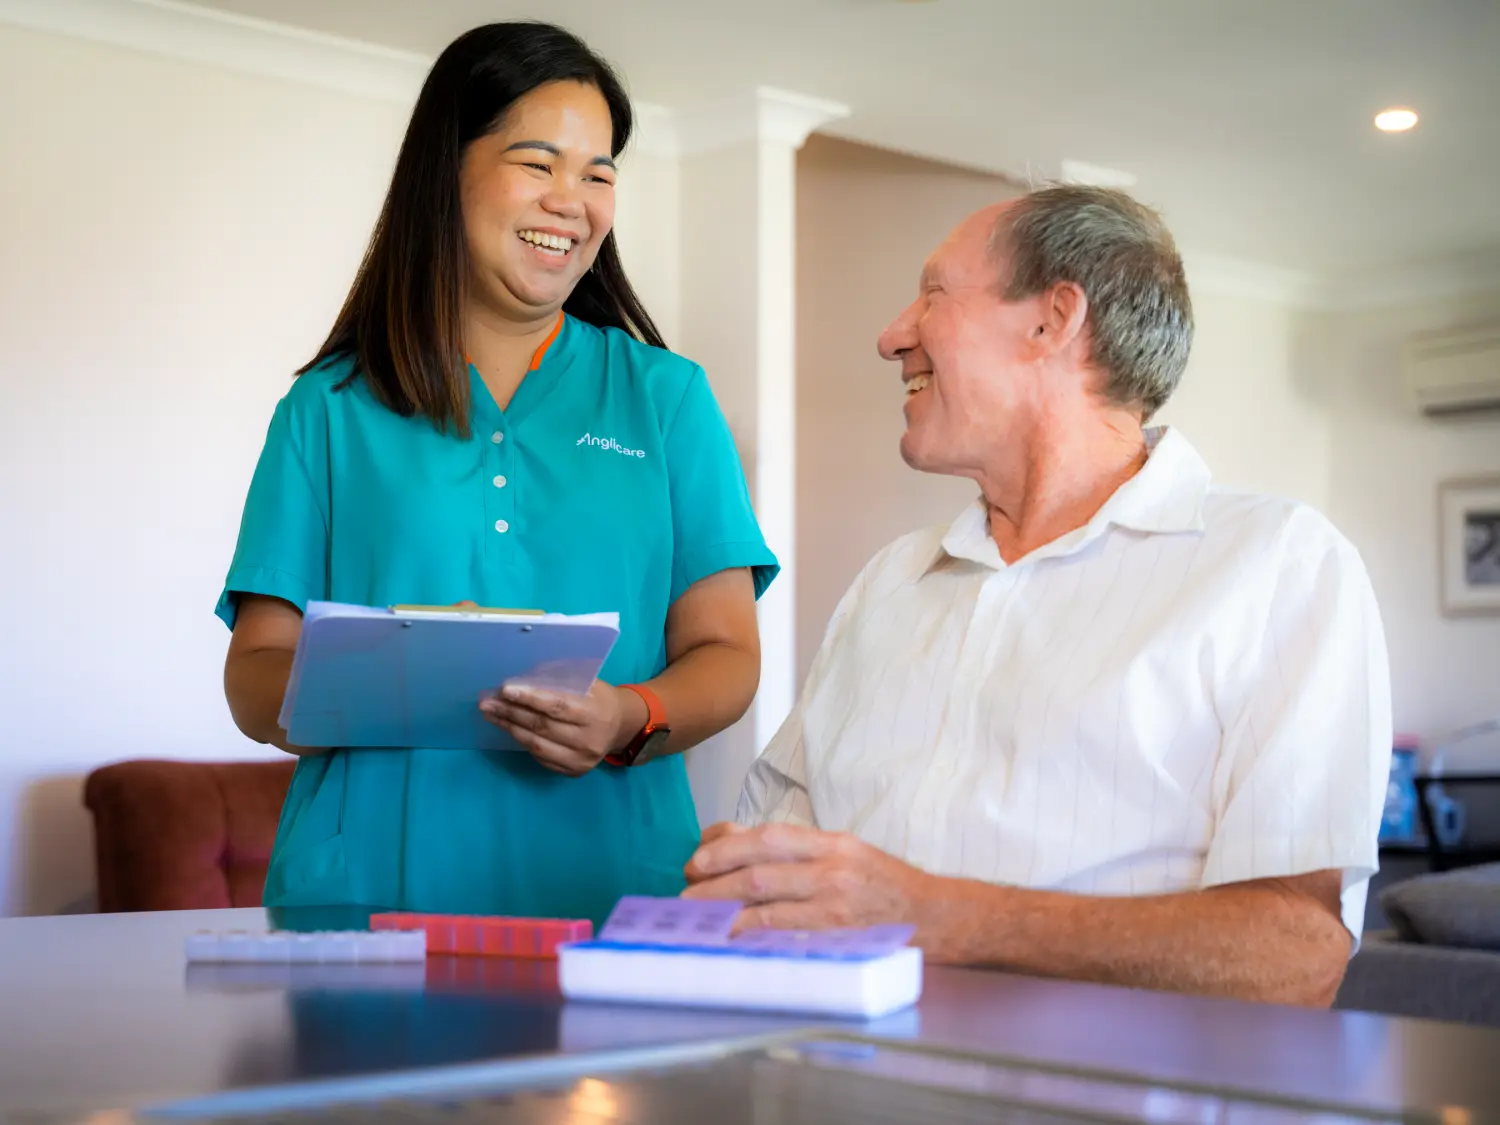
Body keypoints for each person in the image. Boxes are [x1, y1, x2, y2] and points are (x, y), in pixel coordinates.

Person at [684, 186, 1391, 1007]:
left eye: (934, 293)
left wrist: (935, 916)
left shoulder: (1280, 565)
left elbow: (1295, 954)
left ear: (1053, 321)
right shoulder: (890, 583)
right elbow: (780, 873)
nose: (892, 336)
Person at [219, 22, 777, 925]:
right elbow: (253, 673)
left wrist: (629, 714)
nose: (575, 200)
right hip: (369, 894)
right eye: (539, 162)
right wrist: (389, 666)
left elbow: (728, 654)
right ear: (448, 169)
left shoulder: (666, 398)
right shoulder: (327, 408)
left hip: (610, 892)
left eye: (599, 174)